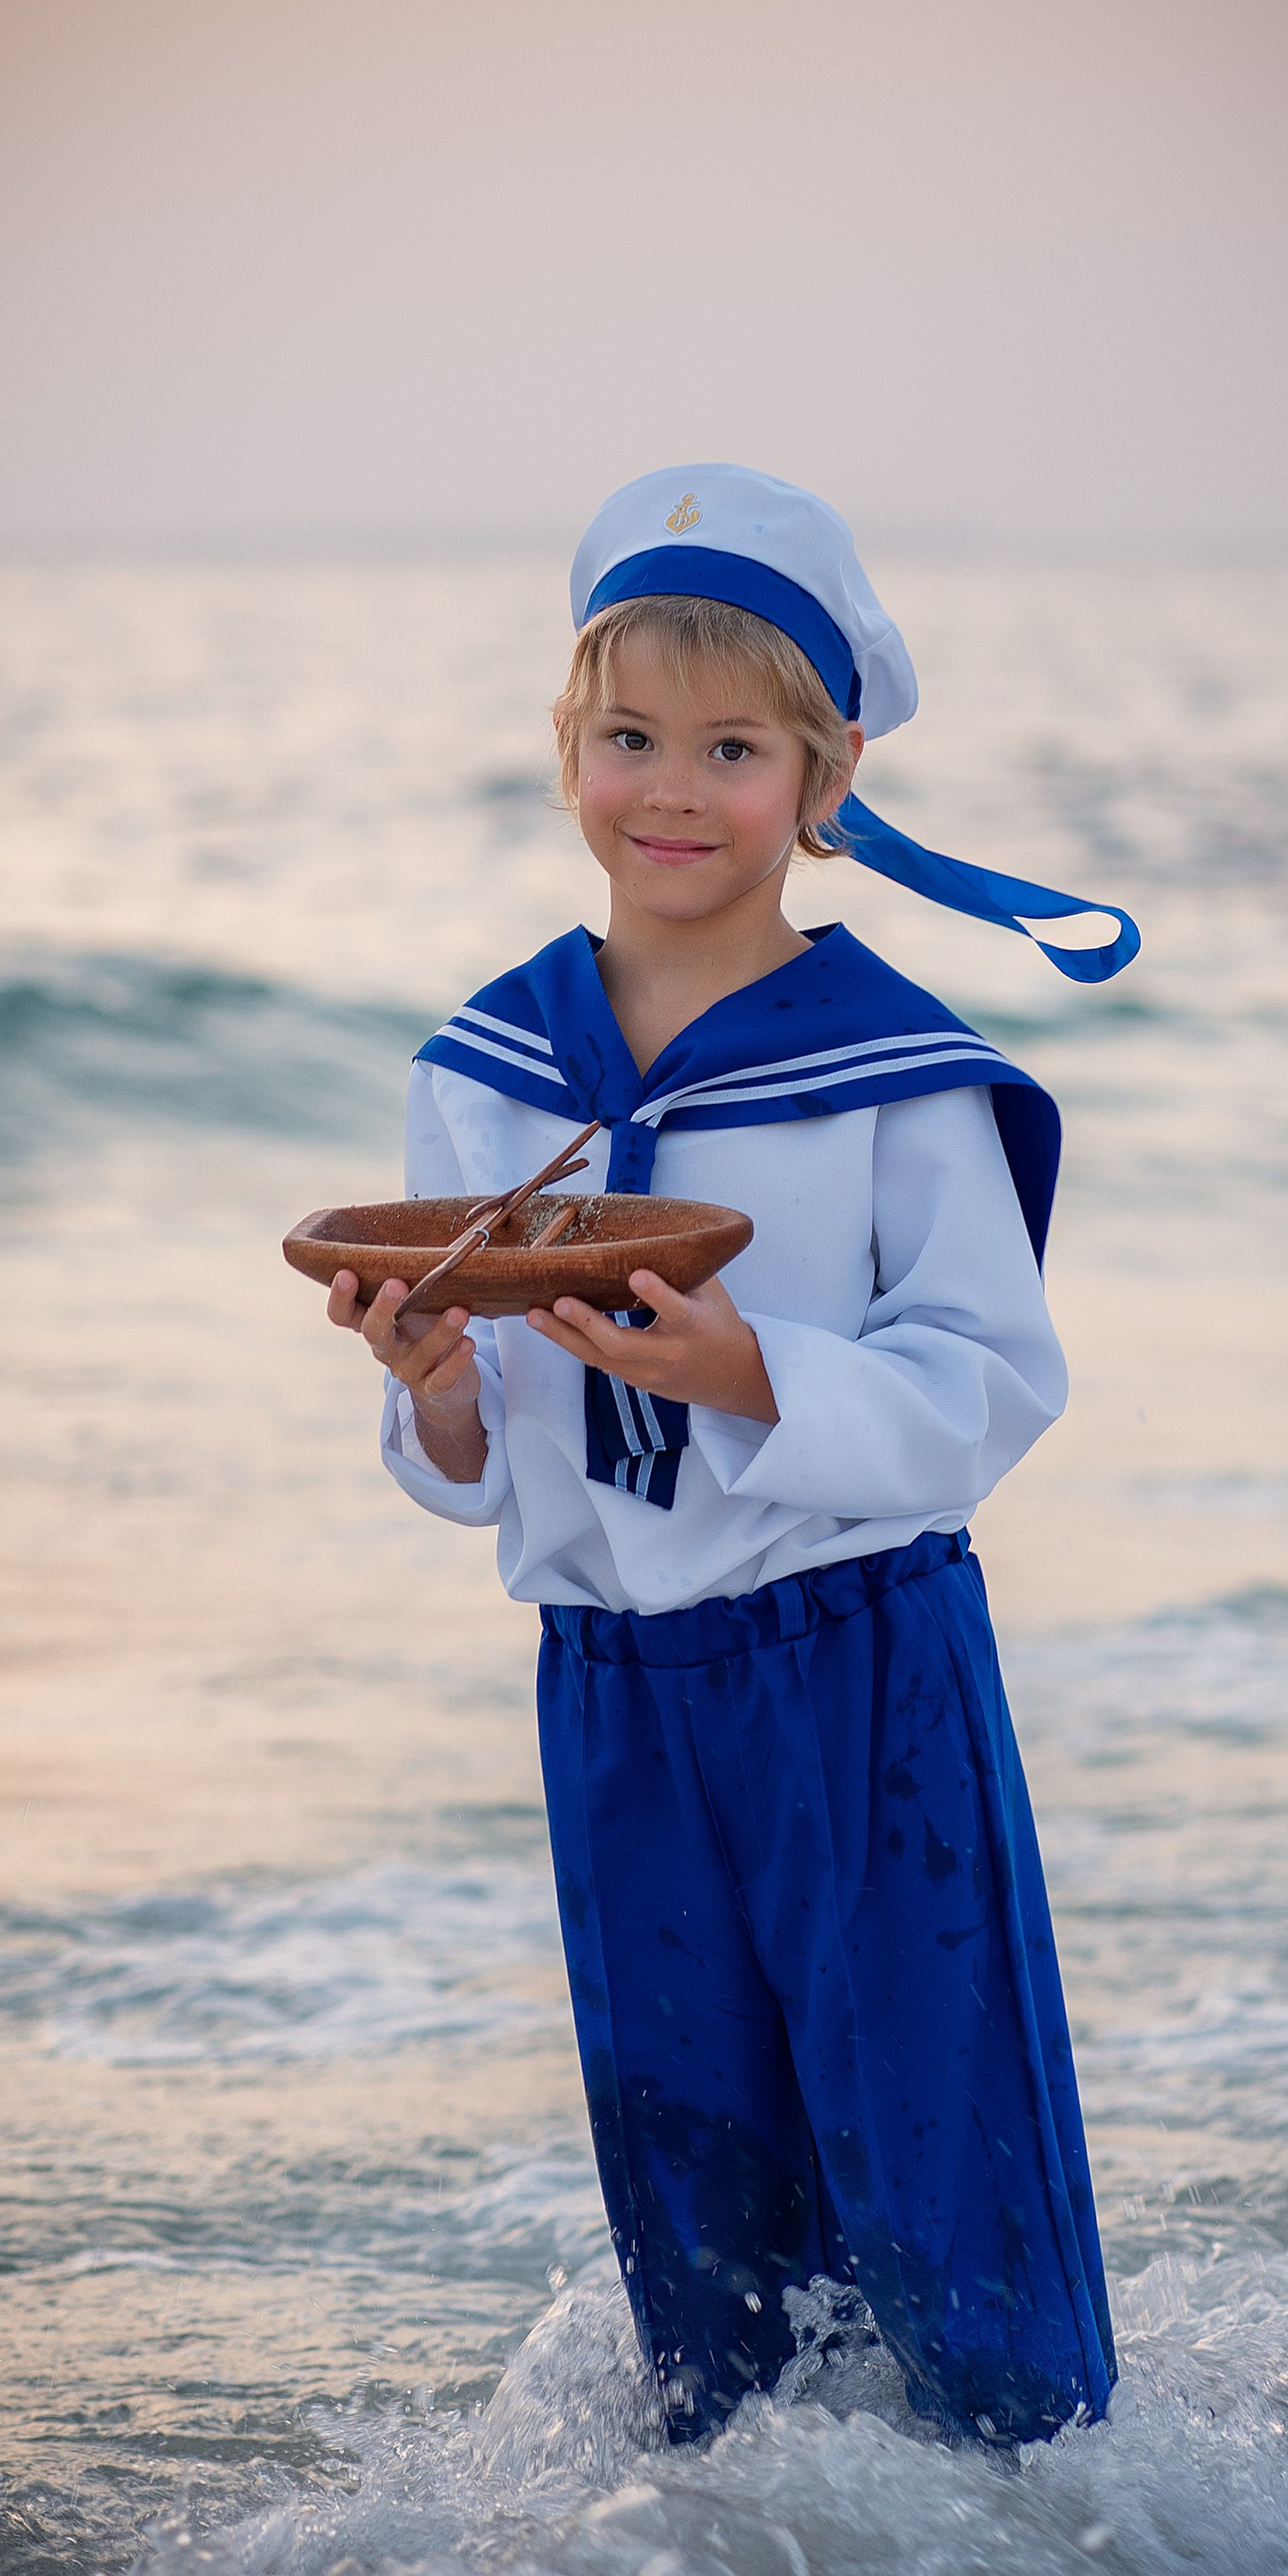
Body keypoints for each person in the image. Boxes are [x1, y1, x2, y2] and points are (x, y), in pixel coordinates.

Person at [324, 465, 1139, 2446]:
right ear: (565, 755)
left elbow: (990, 1380)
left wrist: (751, 1370)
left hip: (857, 1667)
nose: (669, 791)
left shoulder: (893, 1070)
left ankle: (1065, 2547)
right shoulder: (484, 1068)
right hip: (613, 1691)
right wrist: (431, 1378)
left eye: (730, 749)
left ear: (823, 780)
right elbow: (482, 1442)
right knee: (699, 2212)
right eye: (628, 739)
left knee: (943, 2156)